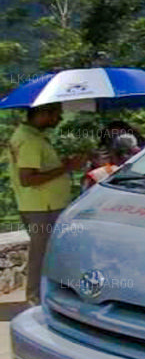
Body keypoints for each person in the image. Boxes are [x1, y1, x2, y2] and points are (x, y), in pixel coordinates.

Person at [6, 102, 81, 305]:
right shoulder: (30, 141)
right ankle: (35, 300)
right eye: (57, 114)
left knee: (49, 252)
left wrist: (60, 164)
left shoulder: (32, 137)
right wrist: (67, 167)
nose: (60, 119)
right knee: (41, 255)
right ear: (43, 114)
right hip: (42, 207)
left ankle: (44, 295)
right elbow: (28, 178)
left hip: (44, 205)